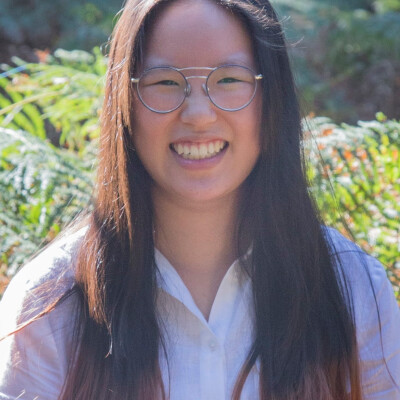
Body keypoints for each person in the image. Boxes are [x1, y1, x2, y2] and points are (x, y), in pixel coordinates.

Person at [0, 0, 399, 399]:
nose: (198, 114)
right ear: (124, 104)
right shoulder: (50, 303)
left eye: (229, 80)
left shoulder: (354, 289)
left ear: (271, 99)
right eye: (165, 83)